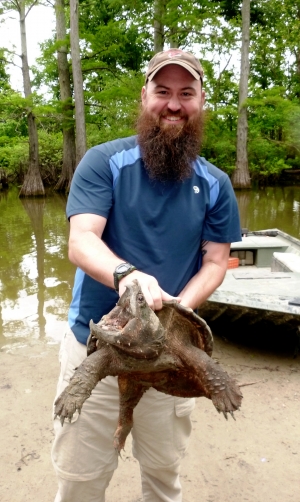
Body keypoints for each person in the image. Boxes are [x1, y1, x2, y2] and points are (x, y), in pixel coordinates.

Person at [51, 49, 241, 502]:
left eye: (186, 93)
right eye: (163, 92)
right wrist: (126, 276)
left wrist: (177, 311)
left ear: (200, 102)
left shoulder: (215, 183)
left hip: (172, 347)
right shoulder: (104, 162)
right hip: (96, 340)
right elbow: (81, 241)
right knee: (80, 479)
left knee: (162, 472)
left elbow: (216, 262)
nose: (173, 104)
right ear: (144, 97)